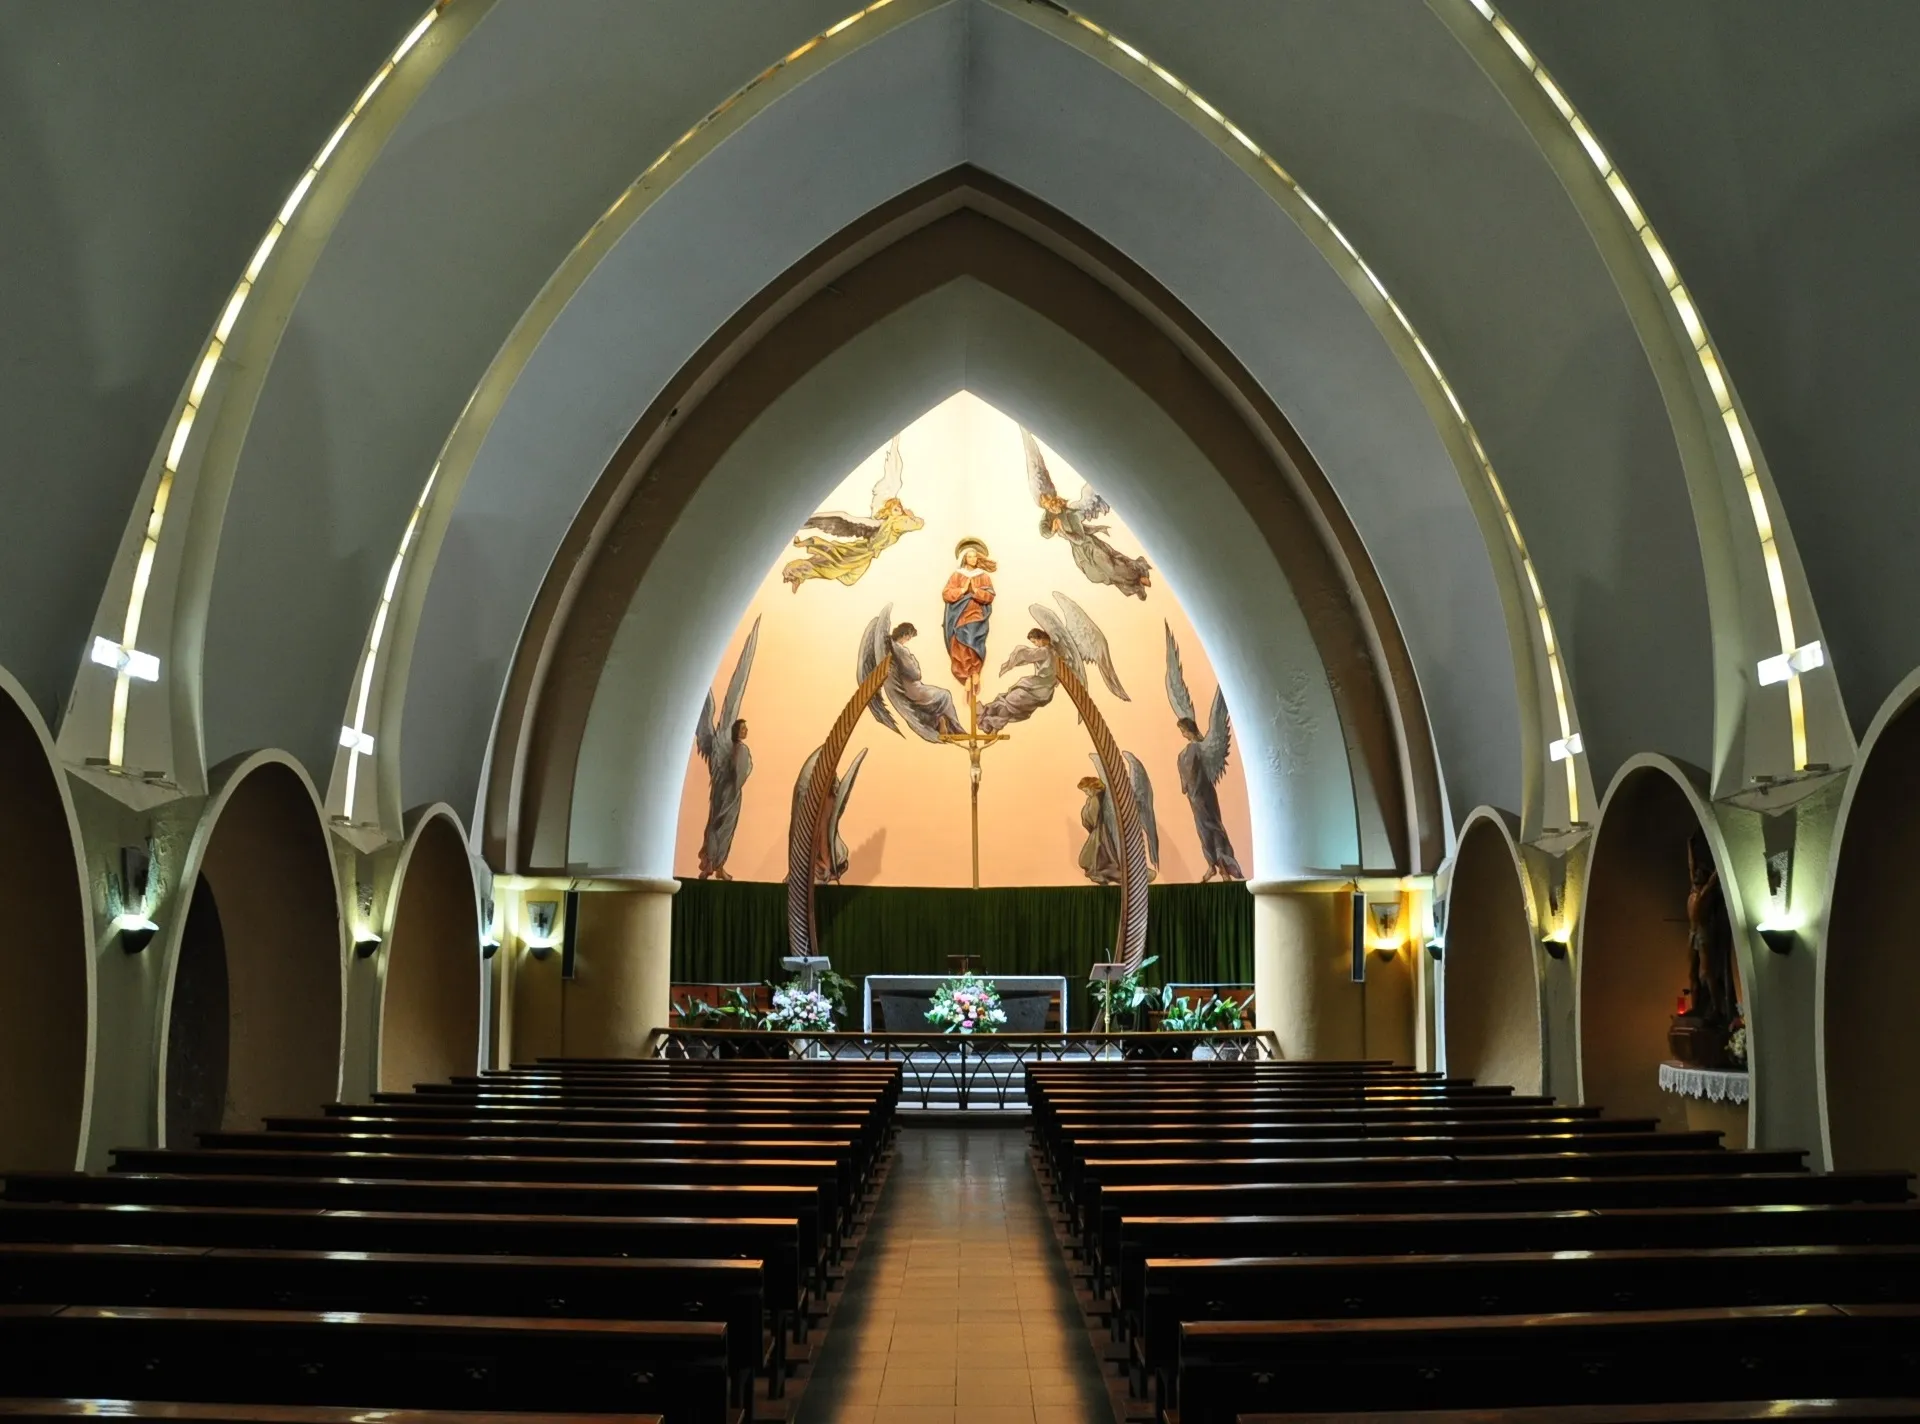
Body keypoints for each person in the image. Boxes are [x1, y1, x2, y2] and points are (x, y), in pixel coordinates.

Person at [942, 537, 996, 697]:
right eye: (970, 556)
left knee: (973, 640)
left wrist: (976, 591)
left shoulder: (983, 576)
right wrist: (963, 590)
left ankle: (975, 671)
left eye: (975, 556)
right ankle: (966, 676)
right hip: (959, 615)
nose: (973, 559)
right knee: (959, 645)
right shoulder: (957, 575)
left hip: (976, 615)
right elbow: (946, 594)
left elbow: (990, 596)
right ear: (964, 558)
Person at [698, 717, 750, 880]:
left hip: (728, 793)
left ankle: (717, 866)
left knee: (724, 829)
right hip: (729, 794)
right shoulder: (739, 749)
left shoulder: (737, 749)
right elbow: (738, 771)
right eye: (742, 729)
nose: (745, 731)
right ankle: (712, 864)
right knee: (720, 827)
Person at [978, 627, 1057, 733]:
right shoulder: (1049, 650)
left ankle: (993, 723)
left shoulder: (1045, 651)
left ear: (1040, 638)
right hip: (1042, 688)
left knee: (1011, 698)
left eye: (1034, 642)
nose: (1035, 645)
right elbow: (1029, 657)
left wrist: (1015, 656)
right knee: (1010, 698)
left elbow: (1027, 655)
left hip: (1041, 688)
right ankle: (990, 718)